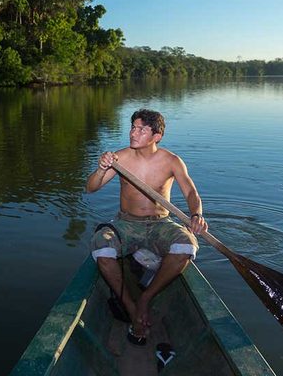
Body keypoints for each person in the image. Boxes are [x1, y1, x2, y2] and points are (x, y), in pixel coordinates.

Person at [86, 109, 208, 342]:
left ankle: (146, 298)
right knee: (101, 248)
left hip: (160, 223)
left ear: (156, 137)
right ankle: (132, 307)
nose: (133, 132)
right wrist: (101, 169)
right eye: (133, 126)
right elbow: (90, 188)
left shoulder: (171, 161)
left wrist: (196, 214)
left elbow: (191, 191)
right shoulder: (119, 158)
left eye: (141, 129)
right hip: (126, 223)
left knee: (187, 246)